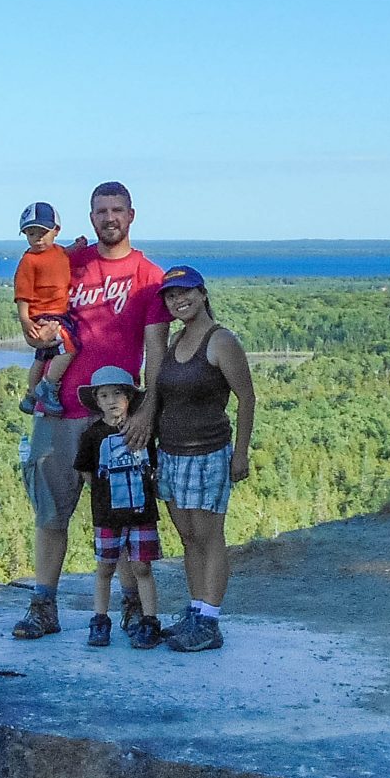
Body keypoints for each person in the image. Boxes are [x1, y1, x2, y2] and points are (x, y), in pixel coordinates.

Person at [12, 181, 171, 641]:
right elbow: (36, 322)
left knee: (121, 513)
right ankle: (43, 606)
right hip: (58, 411)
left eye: (117, 210)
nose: (109, 218)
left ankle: (131, 608)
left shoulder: (149, 277)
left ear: (132, 215)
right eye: (101, 211)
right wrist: (33, 333)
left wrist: (147, 412)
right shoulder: (68, 262)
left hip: (116, 417)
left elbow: (156, 355)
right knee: (50, 512)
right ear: (90, 216)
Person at [151, 265, 256, 652]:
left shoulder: (220, 340)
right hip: (173, 454)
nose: (179, 300)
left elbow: (247, 397)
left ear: (203, 293)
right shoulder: (176, 342)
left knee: (210, 538)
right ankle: (196, 610)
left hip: (209, 453)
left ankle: (210, 621)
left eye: (186, 292)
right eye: (171, 295)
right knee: (189, 537)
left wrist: (240, 453)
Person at [70, 367, 163, 647]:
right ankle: (100, 620)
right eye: (105, 395)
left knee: (142, 567)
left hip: (141, 513)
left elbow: (152, 467)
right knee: (105, 568)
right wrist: (103, 492)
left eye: (118, 393)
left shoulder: (142, 431)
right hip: (108, 516)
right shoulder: (93, 436)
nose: (112, 400)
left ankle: (149, 620)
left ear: (129, 398)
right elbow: (85, 471)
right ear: (97, 401)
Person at [12, 201, 77, 417]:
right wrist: (25, 320)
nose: (37, 238)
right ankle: (48, 386)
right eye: (31, 234)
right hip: (45, 315)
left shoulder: (57, 251)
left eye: (42, 232)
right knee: (69, 347)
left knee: (42, 356)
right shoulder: (29, 261)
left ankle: (30, 395)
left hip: (57, 312)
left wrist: (78, 247)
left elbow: (62, 256)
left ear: (56, 231)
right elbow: (22, 294)